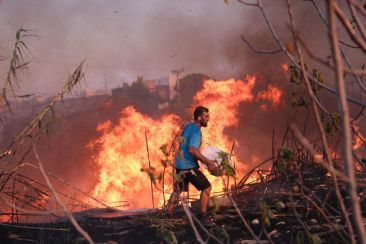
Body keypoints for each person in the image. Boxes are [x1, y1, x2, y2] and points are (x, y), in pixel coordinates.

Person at [166, 106, 217, 221]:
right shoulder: (196, 131)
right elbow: (192, 150)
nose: (208, 119)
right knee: (207, 187)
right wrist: (209, 162)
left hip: (179, 164)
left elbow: (183, 143)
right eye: (206, 116)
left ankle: (168, 214)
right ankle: (203, 215)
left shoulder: (188, 126)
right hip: (188, 166)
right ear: (199, 118)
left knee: (177, 191)